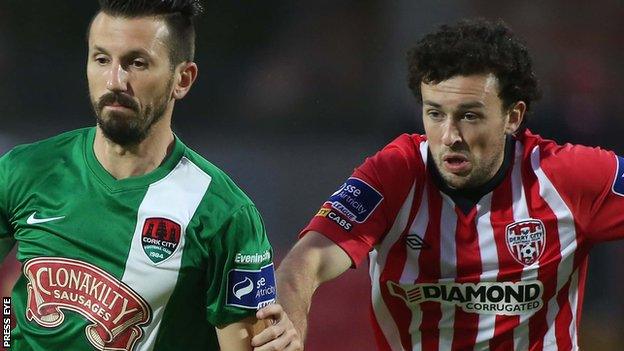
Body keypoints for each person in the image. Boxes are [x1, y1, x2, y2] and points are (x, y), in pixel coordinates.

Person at [276, 18, 624, 350]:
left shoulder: (566, 176)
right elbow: (304, 264)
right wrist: (286, 332)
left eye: (469, 116)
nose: (450, 136)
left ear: (512, 117)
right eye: (435, 113)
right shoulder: (393, 175)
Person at [0, 1, 298, 350]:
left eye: (137, 63)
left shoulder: (224, 215)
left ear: (182, 79)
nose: (115, 80)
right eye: (101, 59)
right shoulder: (24, 171)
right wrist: (6, 331)